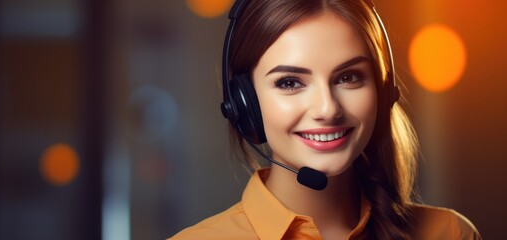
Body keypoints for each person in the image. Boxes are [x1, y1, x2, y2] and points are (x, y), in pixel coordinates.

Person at [171, 0, 481, 239]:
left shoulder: (449, 233)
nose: (327, 108)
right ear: (244, 103)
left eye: (348, 77)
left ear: (384, 91)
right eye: (290, 82)